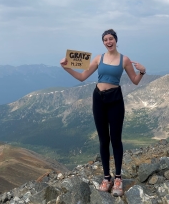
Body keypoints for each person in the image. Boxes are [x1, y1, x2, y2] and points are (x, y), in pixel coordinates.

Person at [60, 29, 146, 197]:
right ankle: (107, 178)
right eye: (105, 39)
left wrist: (142, 71)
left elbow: (135, 81)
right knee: (103, 140)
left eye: (111, 38)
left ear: (115, 40)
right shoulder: (99, 58)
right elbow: (82, 76)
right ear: (103, 42)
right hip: (98, 99)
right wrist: (66, 68)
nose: (108, 41)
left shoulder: (124, 60)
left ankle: (118, 178)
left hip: (115, 100)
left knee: (115, 139)